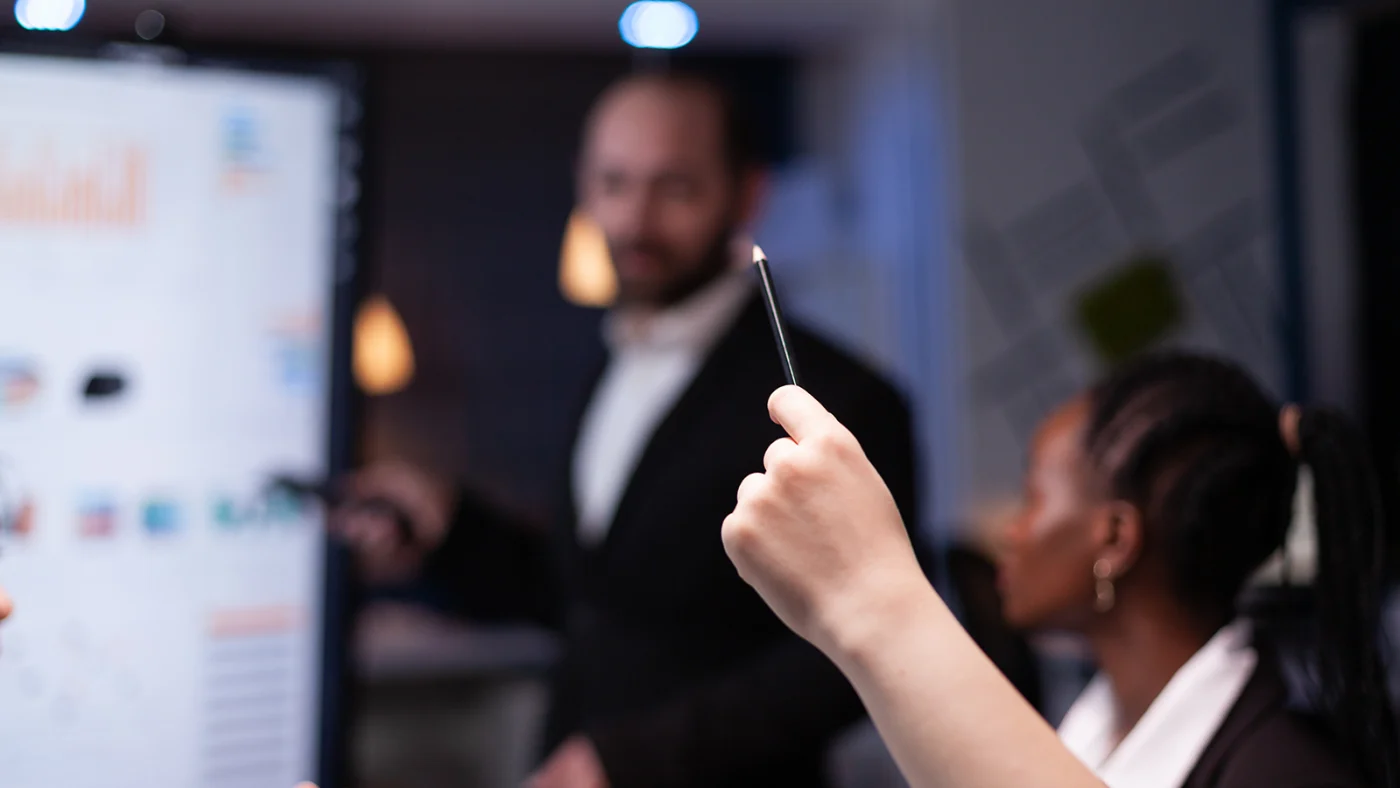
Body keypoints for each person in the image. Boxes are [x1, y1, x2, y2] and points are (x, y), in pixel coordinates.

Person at [336, 72, 920, 788]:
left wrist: (630, 761)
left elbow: (848, 658)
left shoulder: (841, 398)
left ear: (747, 193)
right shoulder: (610, 362)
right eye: (614, 184)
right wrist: (446, 527)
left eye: (673, 188)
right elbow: (592, 599)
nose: (635, 221)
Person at [723, 352, 1399, 788]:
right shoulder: (1092, 725)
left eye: (1035, 497)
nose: (1010, 531)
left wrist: (868, 591)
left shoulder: (1279, 771)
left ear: (1114, 538)